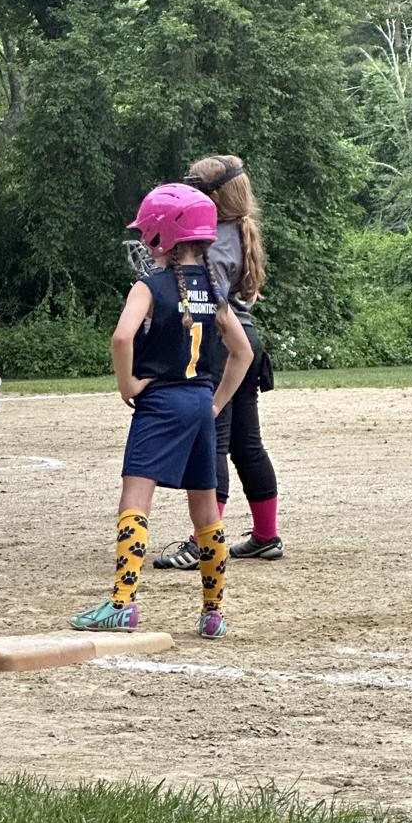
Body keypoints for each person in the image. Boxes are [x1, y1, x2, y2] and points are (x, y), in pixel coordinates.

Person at [69, 183, 253, 639]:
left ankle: (122, 603)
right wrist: (215, 403)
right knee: (205, 509)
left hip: (160, 403)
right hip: (198, 402)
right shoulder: (214, 289)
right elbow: (243, 352)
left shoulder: (149, 286)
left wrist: (127, 384)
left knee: (136, 497)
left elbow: (121, 337)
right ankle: (213, 613)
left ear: (163, 236)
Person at [153, 154, 282, 570]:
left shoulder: (215, 239)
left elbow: (210, 305)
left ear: (212, 197)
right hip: (246, 341)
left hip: (224, 346)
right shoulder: (237, 229)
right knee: (247, 445)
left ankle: (203, 543)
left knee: (214, 443)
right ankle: (265, 536)